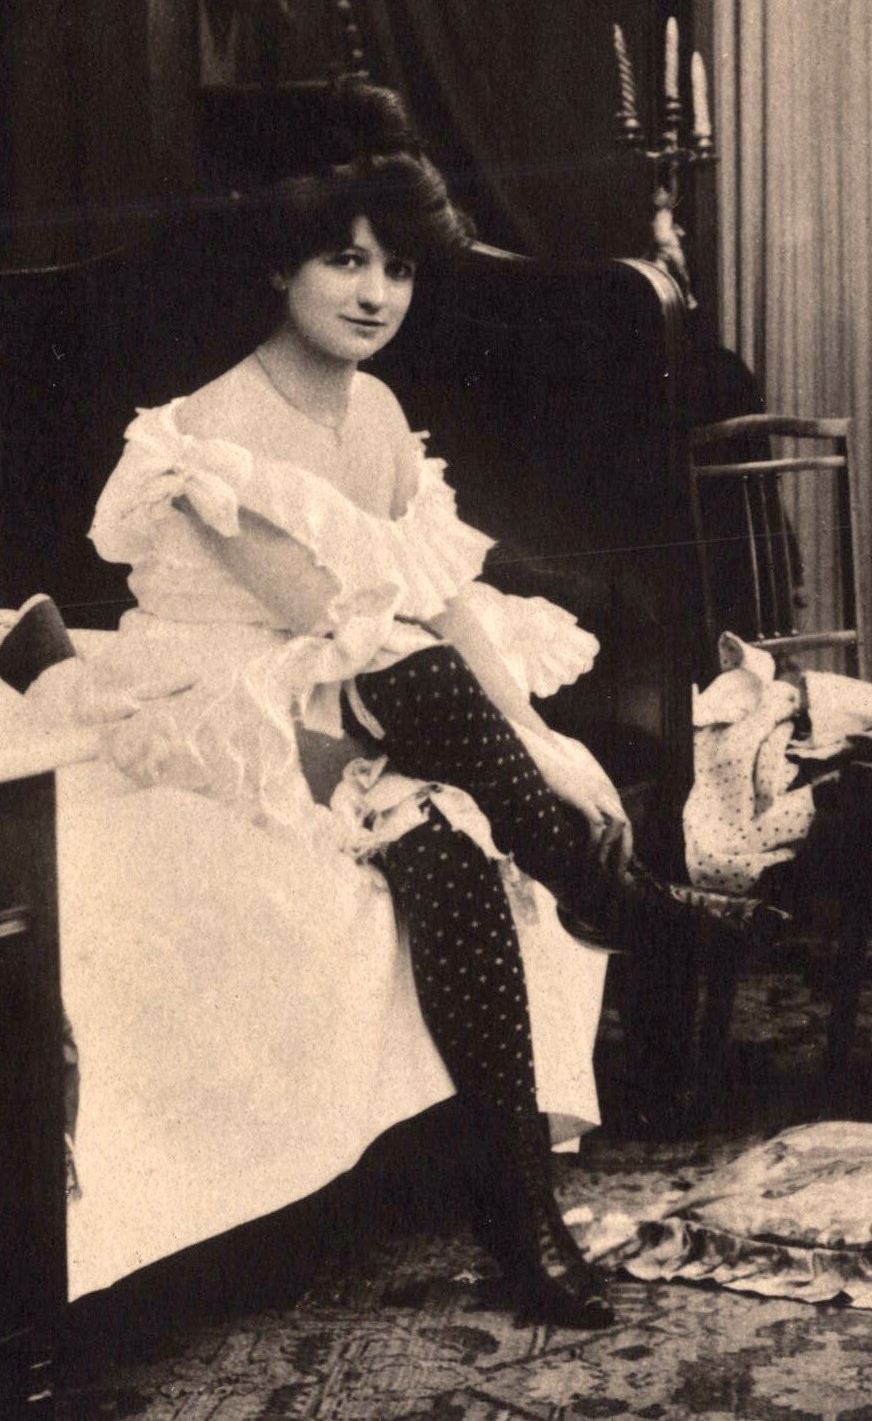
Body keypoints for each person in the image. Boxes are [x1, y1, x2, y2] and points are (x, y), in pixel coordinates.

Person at [80, 79, 777, 1328]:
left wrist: (544, 742)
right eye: (344, 261)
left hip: (359, 701)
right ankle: (603, 888)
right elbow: (334, 625)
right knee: (404, 678)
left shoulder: (381, 409)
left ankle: (521, 1229)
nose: (375, 294)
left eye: (397, 268)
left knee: (449, 850)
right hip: (230, 707)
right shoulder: (209, 431)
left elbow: (441, 594)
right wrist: (518, 758)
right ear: (279, 266)